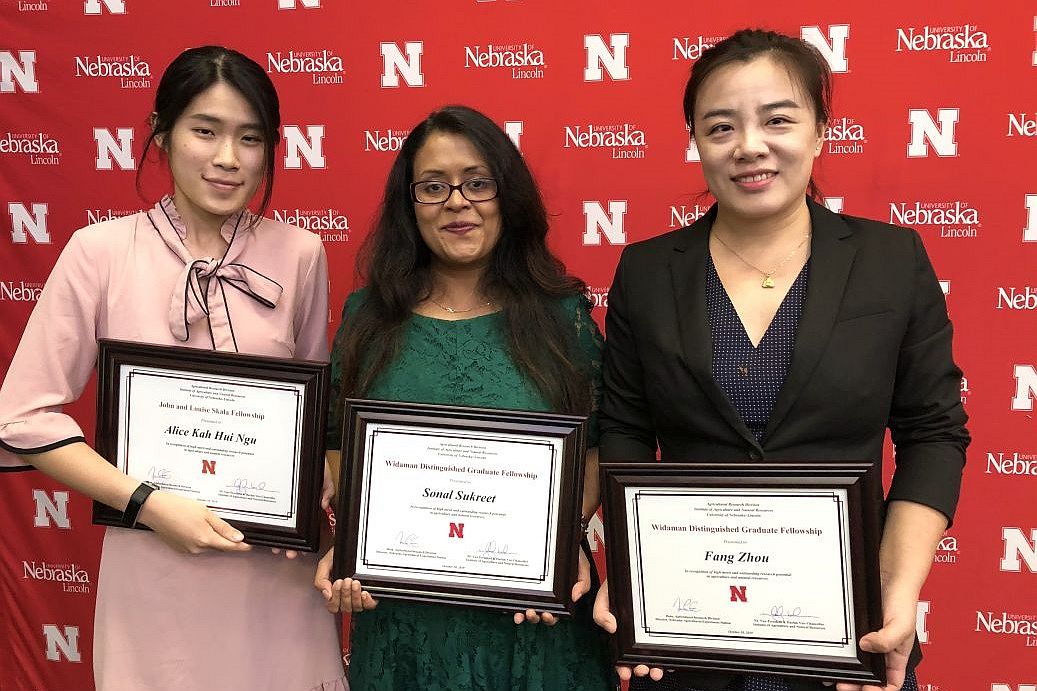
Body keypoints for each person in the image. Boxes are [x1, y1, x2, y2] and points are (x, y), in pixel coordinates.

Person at [591, 29, 968, 691]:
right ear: (696, 142)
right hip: (686, 626)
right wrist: (627, 571)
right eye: (719, 127)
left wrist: (893, 588)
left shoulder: (889, 260)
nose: (748, 147)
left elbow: (931, 433)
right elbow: (622, 428)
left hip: (849, 624)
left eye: (777, 120)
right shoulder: (646, 271)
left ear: (820, 130)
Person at [0, 46, 346, 690]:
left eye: (250, 138)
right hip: (153, 562)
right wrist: (150, 504)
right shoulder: (98, 251)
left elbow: (312, 410)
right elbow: (21, 417)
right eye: (204, 130)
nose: (227, 158)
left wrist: (321, 482)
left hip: (273, 566)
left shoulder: (301, 254)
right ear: (162, 134)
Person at [313, 105, 614, 691]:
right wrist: (354, 544)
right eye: (433, 187)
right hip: (405, 623)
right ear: (409, 204)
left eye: (478, 183)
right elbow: (338, 447)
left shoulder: (563, 317)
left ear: (508, 196)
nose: (457, 202)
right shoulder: (368, 318)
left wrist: (553, 548)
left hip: (538, 620)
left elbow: (596, 449)